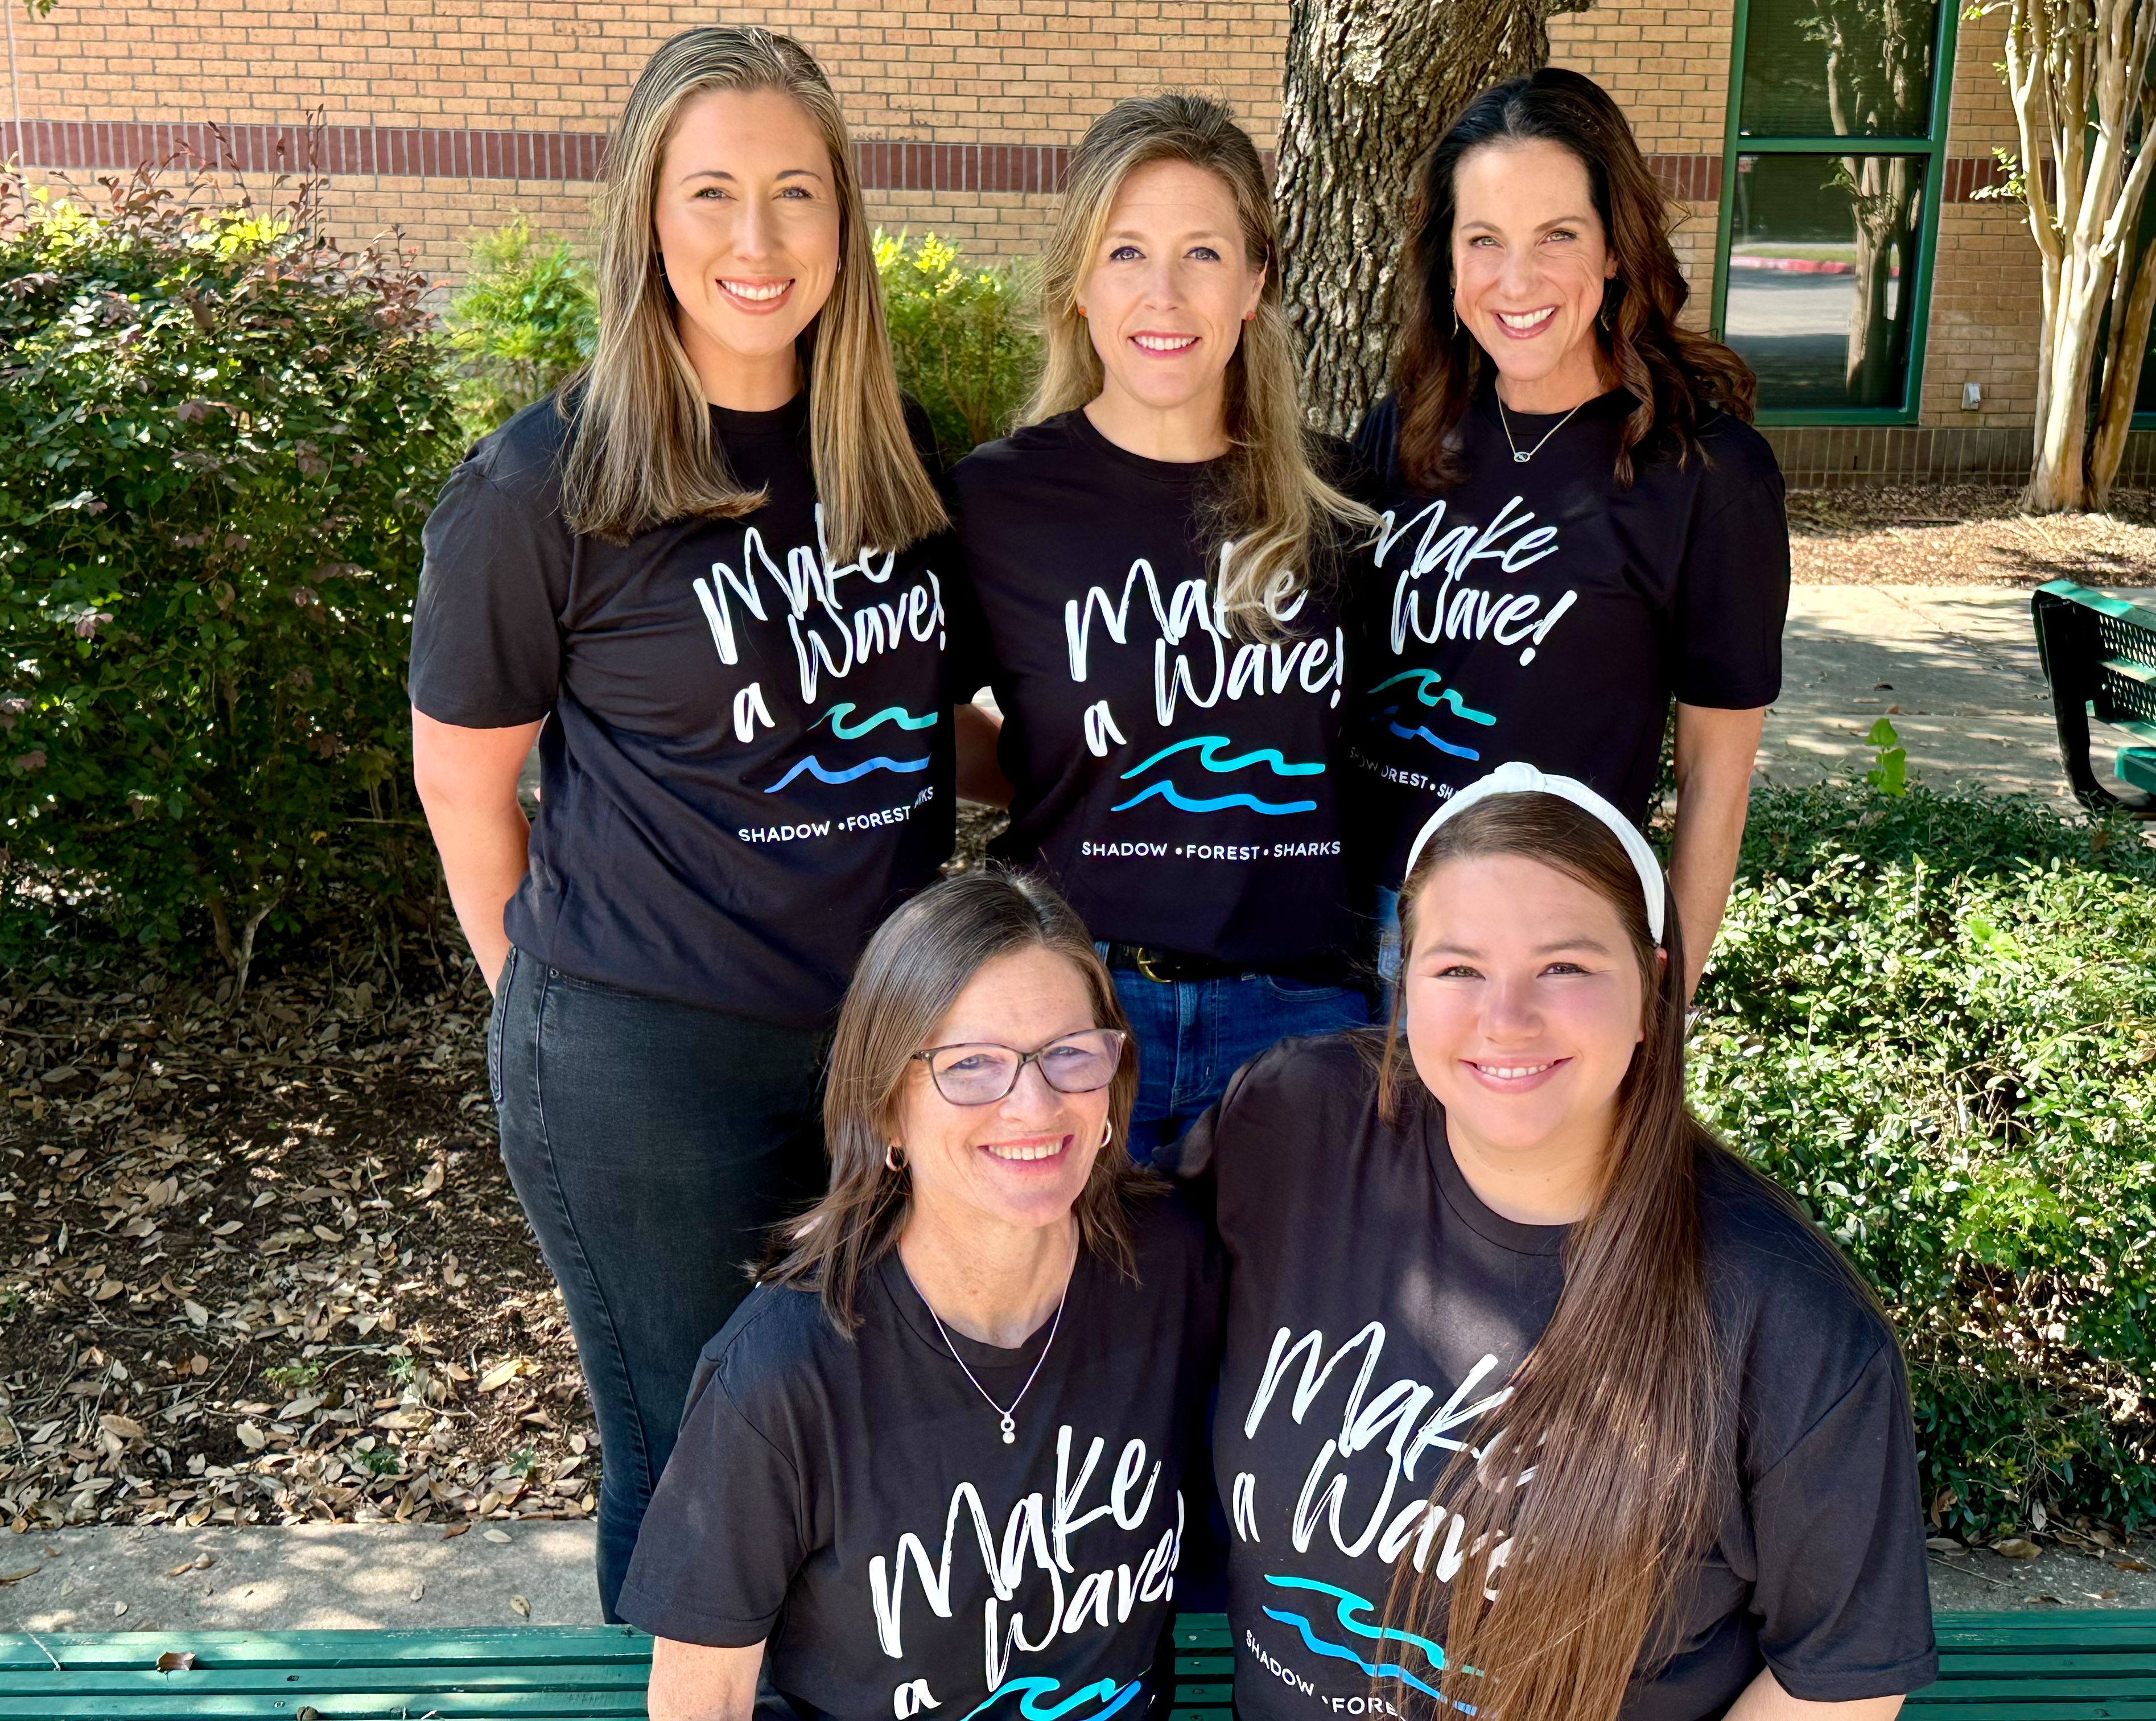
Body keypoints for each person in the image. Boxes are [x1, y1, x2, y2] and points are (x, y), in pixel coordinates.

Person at [408, 27, 995, 1616]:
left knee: (892, 1426)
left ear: (844, 220)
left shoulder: (891, 452)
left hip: (887, 1039)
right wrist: (540, 1000)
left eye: (796, 194)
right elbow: (465, 785)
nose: (757, 242)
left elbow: (942, 718)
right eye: (713, 193)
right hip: (642, 1059)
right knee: (692, 1452)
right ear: (647, 215)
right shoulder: (545, 488)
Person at [1181, 763, 1936, 1721]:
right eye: (1458, 968)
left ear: (1655, 990)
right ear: (1402, 980)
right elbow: (1105, 1278)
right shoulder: (1298, 1130)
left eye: (1566, 967)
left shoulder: (1785, 1317)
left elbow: (1838, 1678)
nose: (1506, 1019)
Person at [622, 869, 1221, 1721]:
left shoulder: (1171, 1267)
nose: (1035, 1104)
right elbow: (700, 1700)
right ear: (888, 1109)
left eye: (1070, 1054)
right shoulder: (781, 1375)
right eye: (973, 1065)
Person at [951, 94, 1380, 1168]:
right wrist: (1064, 762)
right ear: (1079, 285)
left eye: (1203, 253)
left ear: (1255, 283)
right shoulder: (998, 504)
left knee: (1280, 1332)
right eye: (1127, 251)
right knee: (1092, 1328)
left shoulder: (1344, 502)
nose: (1164, 293)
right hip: (1073, 1013)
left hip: (1303, 1015)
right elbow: (917, 713)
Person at [1347, 70, 1788, 998]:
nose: (1517, 281)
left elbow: (1716, 777)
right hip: (1349, 916)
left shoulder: (1708, 475)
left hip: (1538, 947)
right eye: (1484, 241)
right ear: (1448, 259)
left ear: (1616, 248)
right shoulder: (1408, 428)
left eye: (1558, 237)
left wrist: (1670, 998)